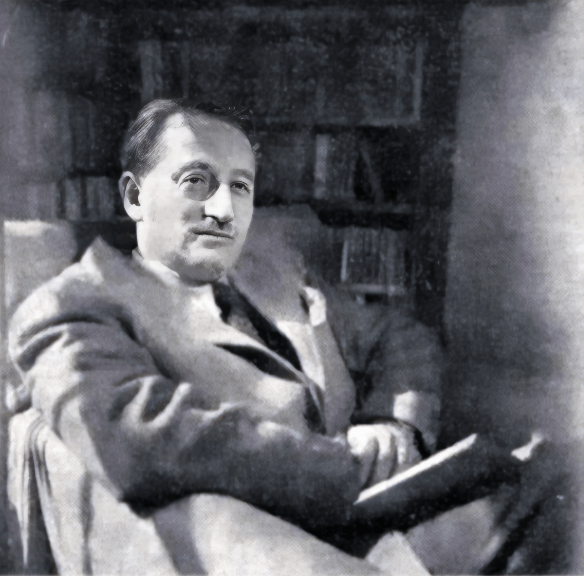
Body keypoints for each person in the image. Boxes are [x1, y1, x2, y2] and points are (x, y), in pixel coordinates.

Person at [7, 98, 567, 574]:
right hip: (272, 546)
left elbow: (398, 336)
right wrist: (351, 466)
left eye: (240, 187)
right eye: (197, 181)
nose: (224, 210)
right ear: (134, 197)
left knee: (566, 479)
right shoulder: (70, 305)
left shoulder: (272, 268)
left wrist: (396, 426)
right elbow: (144, 439)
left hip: (383, 522)